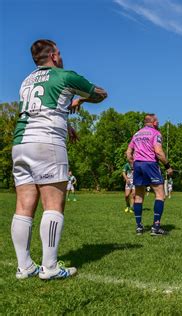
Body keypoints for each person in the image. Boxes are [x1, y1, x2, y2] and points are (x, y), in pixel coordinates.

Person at [11, 39, 107, 280]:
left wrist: (65, 120)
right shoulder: (65, 76)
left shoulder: (26, 81)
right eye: (60, 53)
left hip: (21, 143)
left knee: (23, 206)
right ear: (53, 56)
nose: (61, 57)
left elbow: (40, 109)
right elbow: (101, 95)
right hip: (47, 143)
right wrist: (81, 99)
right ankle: (50, 267)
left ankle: (24, 267)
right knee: (53, 204)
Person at [126, 114, 173, 236]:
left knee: (139, 196)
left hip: (138, 165)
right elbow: (158, 152)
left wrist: (133, 165)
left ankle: (139, 227)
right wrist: (168, 166)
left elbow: (128, 153)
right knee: (160, 195)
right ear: (154, 123)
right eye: (158, 121)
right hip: (150, 164)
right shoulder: (155, 133)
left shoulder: (136, 134)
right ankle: (156, 227)